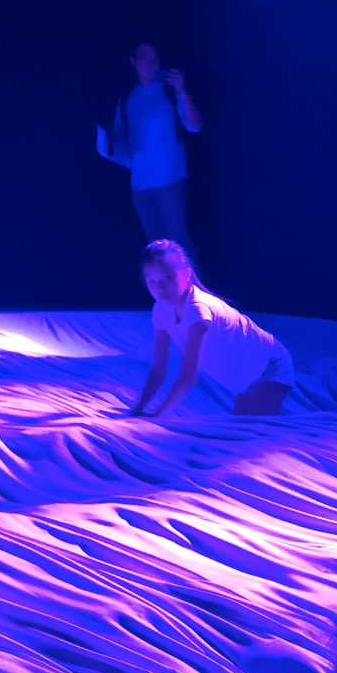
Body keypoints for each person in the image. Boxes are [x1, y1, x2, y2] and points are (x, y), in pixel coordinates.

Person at [130, 240, 294, 417]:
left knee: (252, 430)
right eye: (151, 280)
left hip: (269, 364)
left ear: (187, 274)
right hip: (246, 374)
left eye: (168, 277)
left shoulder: (198, 310)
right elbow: (158, 368)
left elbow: (188, 377)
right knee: (240, 429)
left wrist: (158, 417)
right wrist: (138, 410)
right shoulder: (161, 309)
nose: (159, 288)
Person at [98, 41, 203, 259]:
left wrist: (182, 90)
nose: (150, 63)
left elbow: (195, 126)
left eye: (154, 58)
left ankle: (194, 282)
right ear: (133, 62)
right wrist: (112, 137)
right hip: (141, 186)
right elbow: (121, 142)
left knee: (180, 242)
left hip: (170, 180)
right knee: (156, 248)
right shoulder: (126, 101)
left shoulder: (169, 92)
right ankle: (166, 284)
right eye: (144, 58)